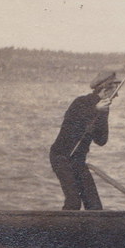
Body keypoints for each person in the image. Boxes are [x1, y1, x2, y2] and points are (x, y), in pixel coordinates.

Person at [48, 71, 120, 210]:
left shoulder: (103, 110)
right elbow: (73, 123)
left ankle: (93, 225)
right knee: (73, 202)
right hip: (61, 157)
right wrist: (95, 109)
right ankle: (62, 224)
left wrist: (102, 116)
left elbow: (101, 141)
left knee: (95, 206)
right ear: (105, 91)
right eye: (115, 91)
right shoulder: (80, 102)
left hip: (78, 160)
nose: (117, 95)